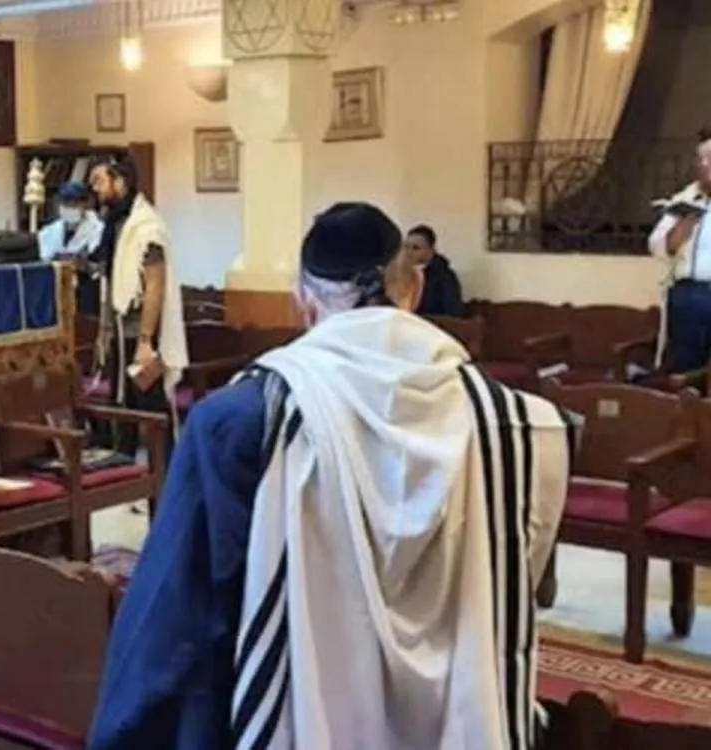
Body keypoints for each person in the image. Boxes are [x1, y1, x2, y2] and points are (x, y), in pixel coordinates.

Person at [88, 203, 576, 750]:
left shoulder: (239, 422)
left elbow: (174, 626)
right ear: (414, 288)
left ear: (303, 300)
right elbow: (525, 584)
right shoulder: (523, 427)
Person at [88, 156, 187, 460]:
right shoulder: (115, 223)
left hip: (143, 333)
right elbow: (110, 280)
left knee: (153, 410)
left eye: (100, 181)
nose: (95, 189)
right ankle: (127, 473)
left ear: (120, 182)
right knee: (124, 409)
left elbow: (155, 283)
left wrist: (145, 340)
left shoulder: (147, 226)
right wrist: (104, 329)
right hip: (120, 331)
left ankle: (166, 476)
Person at [648, 126, 711, 373]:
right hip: (688, 296)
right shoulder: (684, 199)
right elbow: (656, 245)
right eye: (699, 158)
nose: (703, 164)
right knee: (686, 367)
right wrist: (683, 227)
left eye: (710, 158)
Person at [37, 180, 103, 316]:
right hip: (55, 289)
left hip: (86, 291)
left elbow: (98, 265)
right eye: (66, 204)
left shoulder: (98, 229)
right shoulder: (49, 231)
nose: (70, 208)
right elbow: (43, 258)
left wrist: (82, 263)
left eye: (75, 204)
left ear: (85, 204)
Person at [405, 223, 465, 317]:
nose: (409, 253)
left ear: (430, 250)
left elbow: (452, 314)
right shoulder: (401, 273)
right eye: (406, 247)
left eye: (415, 248)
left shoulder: (445, 277)